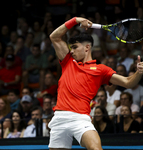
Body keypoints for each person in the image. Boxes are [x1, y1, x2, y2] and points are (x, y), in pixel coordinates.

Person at [48, 16, 143, 150]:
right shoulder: (68, 61)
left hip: (80, 119)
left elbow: (127, 82)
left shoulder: (101, 70)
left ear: (87, 48)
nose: (72, 51)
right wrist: (75, 20)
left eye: (75, 47)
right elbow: (54, 37)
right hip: (59, 118)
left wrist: (139, 72)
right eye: (71, 48)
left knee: (96, 148)